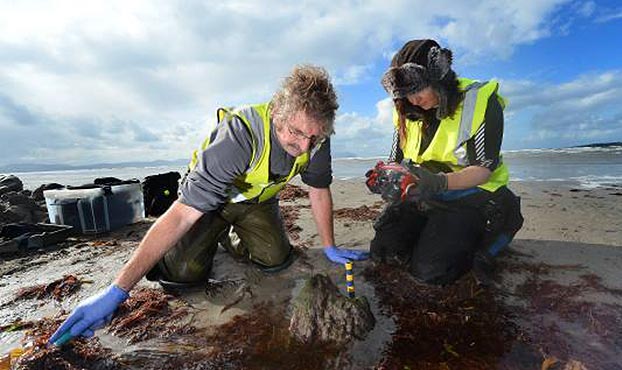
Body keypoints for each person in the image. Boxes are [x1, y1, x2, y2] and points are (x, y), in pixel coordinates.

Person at [49, 65, 368, 344]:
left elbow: (318, 188)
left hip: (256, 203)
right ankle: (209, 236)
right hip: (208, 203)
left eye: (313, 138)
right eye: (296, 133)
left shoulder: (316, 139)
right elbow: (183, 214)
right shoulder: (240, 134)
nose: (304, 147)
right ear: (276, 113)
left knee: (276, 260)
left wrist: (329, 246)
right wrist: (119, 289)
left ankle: (230, 238)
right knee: (182, 275)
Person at [368, 39, 524, 285]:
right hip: (427, 197)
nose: (413, 100)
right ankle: (433, 230)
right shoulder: (407, 111)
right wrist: (388, 180)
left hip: (473, 197)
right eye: (405, 94)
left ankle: (503, 220)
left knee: (431, 272)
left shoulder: (479, 101)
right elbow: (395, 160)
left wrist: (438, 183)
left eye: (418, 90)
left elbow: (484, 169)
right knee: (385, 252)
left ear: (439, 77)